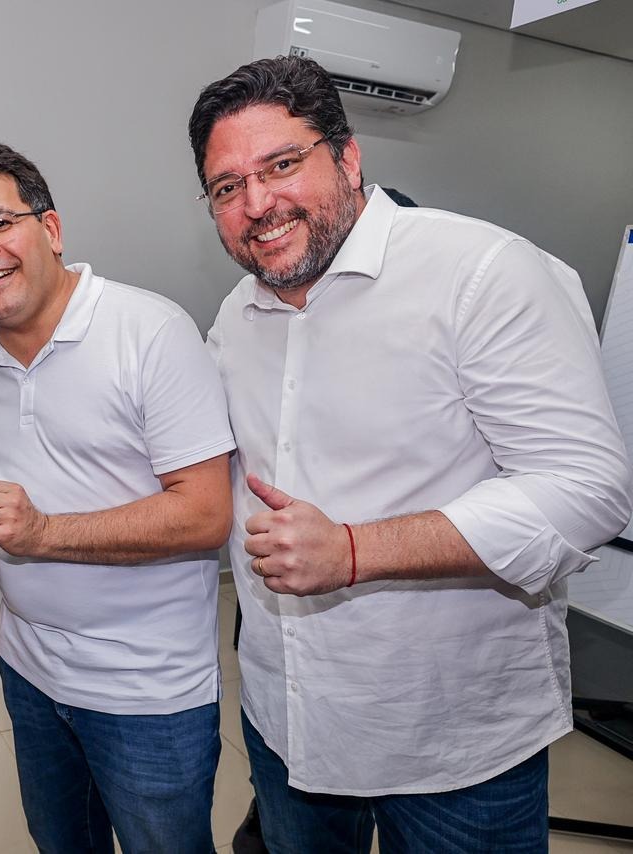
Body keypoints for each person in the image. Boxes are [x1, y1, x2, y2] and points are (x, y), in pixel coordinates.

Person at [188, 56, 632, 852]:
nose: (257, 204)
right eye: (228, 186)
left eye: (282, 165)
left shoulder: (482, 273)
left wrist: (355, 550)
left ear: (348, 157)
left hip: (453, 747)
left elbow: (588, 488)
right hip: (288, 724)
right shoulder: (234, 317)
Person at [0, 139, 236, 854]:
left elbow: (206, 512)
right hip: (29, 674)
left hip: (147, 690)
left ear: (52, 229)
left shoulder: (150, 331)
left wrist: (44, 533)